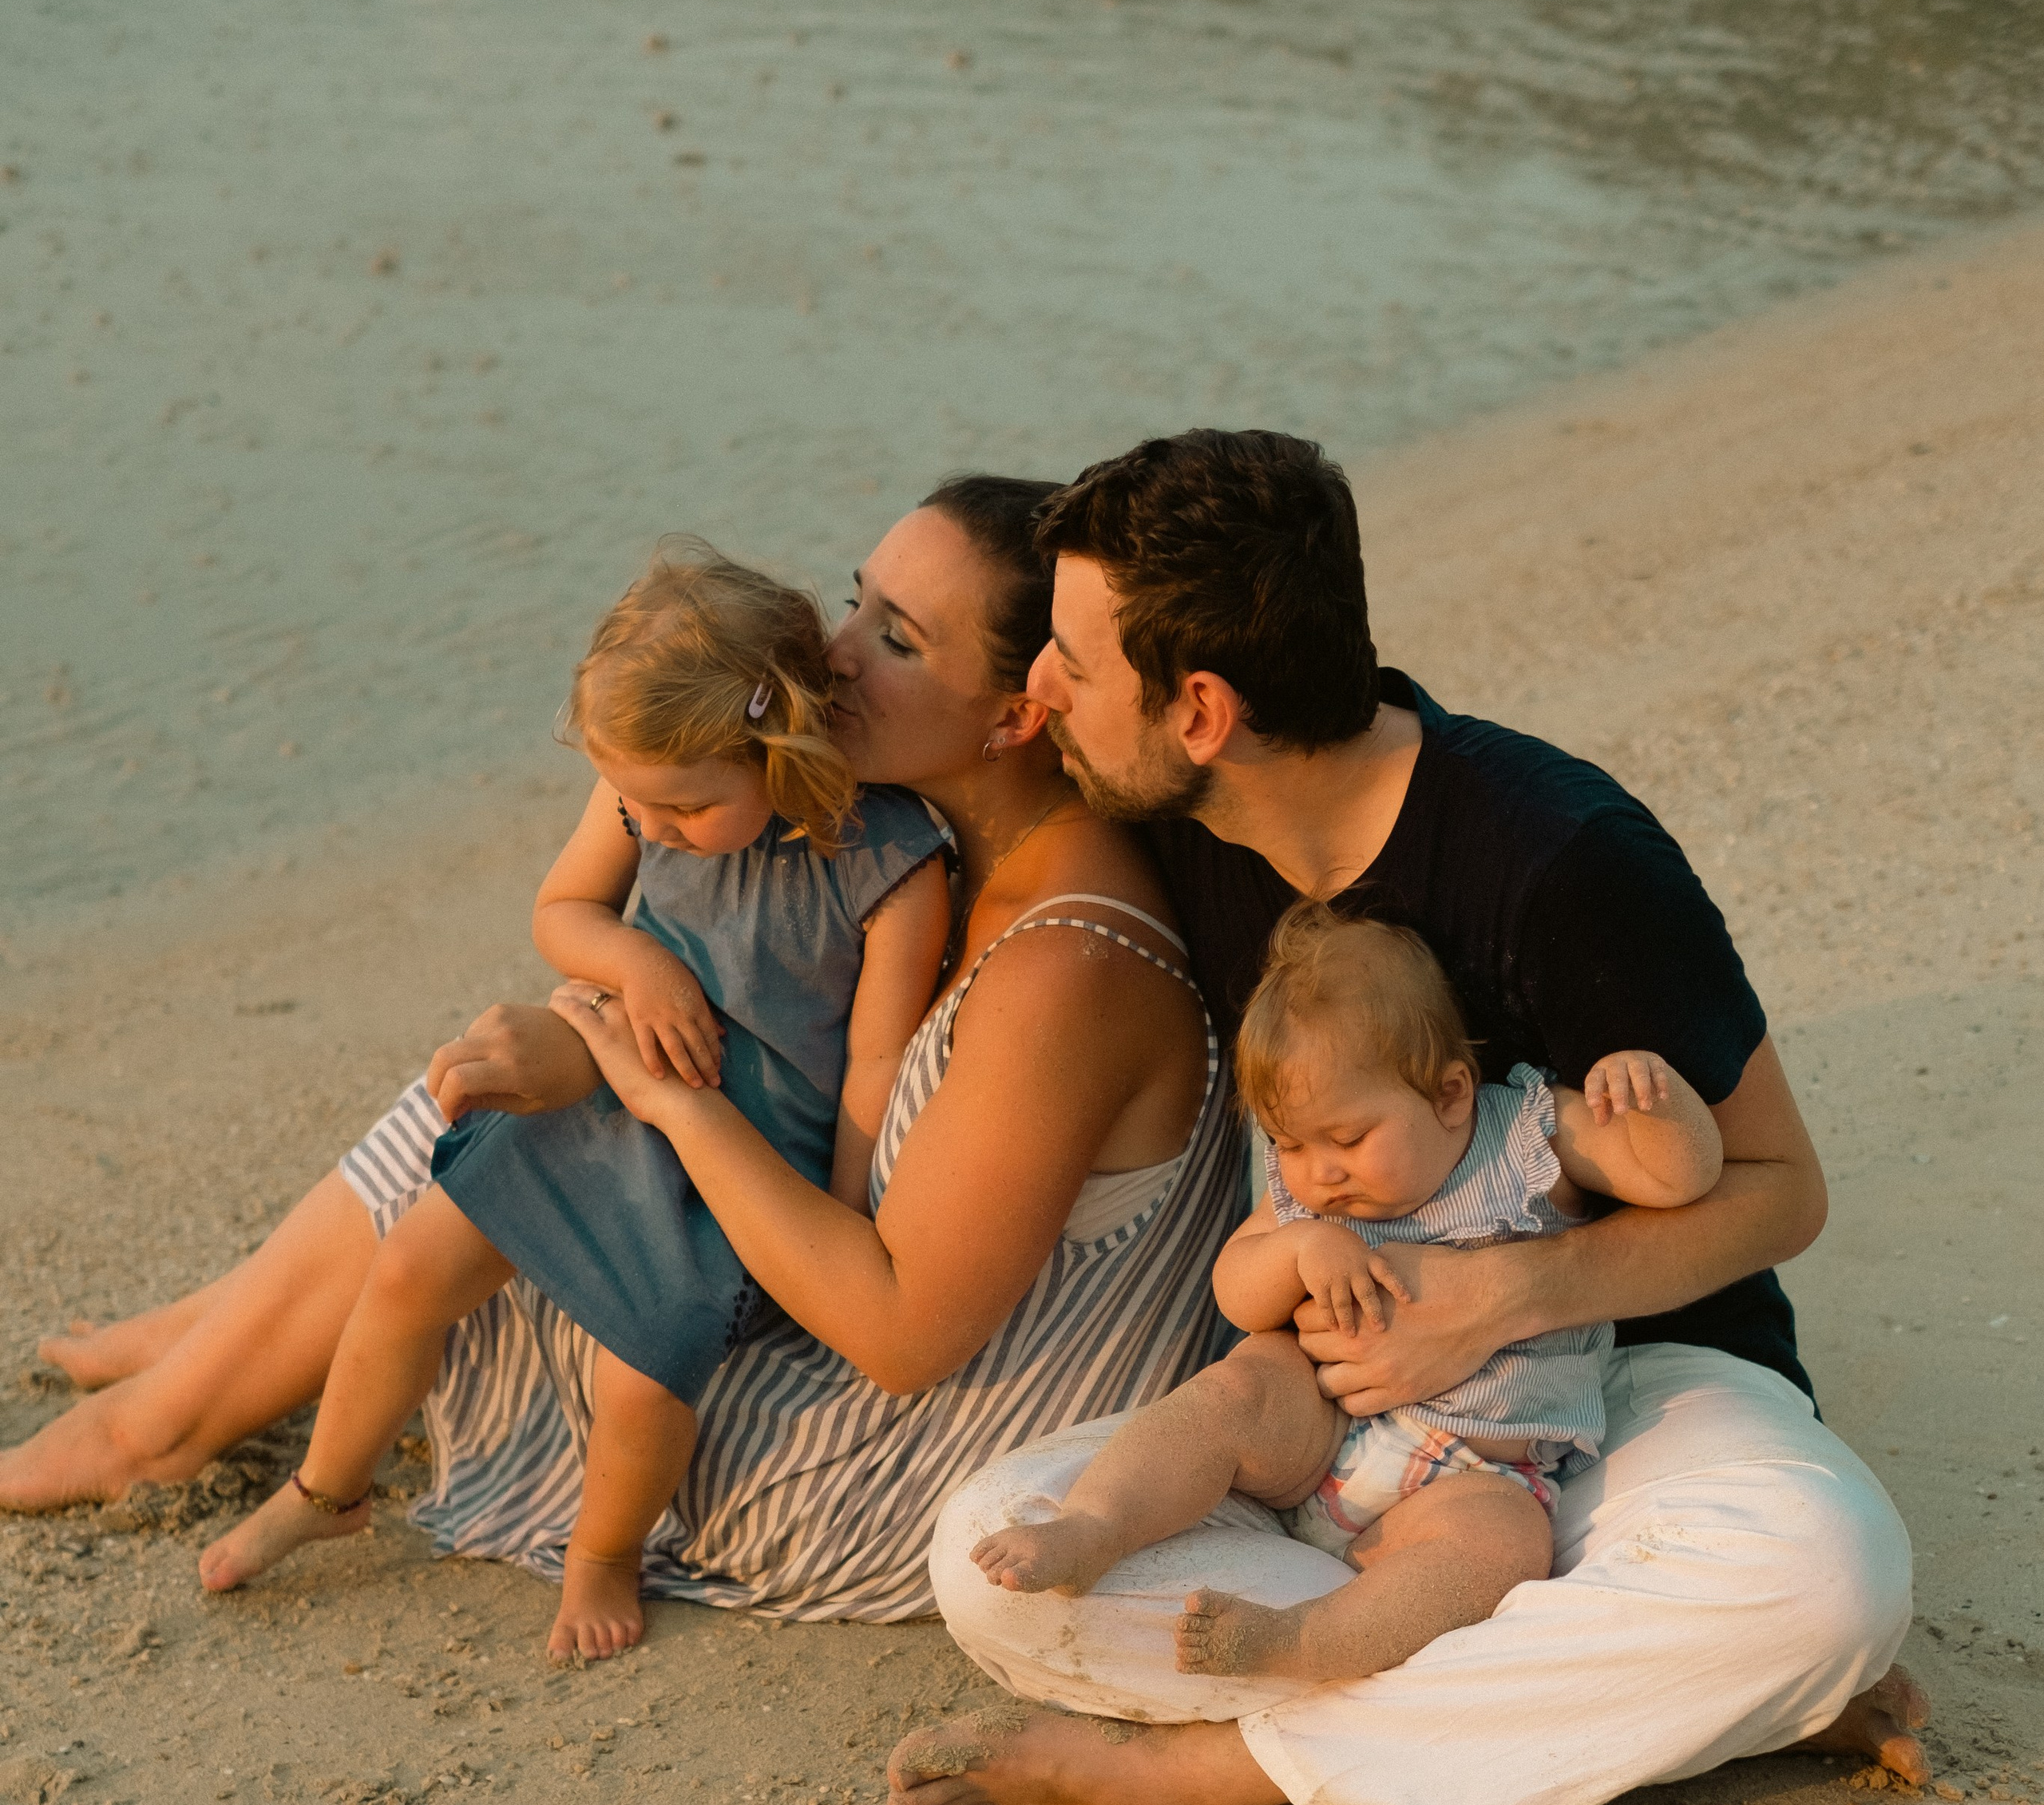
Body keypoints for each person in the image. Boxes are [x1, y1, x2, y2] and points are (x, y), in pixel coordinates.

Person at [893, 428, 1926, 1805]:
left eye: (1067, 655)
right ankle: (1654, 1695)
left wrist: (1501, 1300)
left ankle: (1220, 1768)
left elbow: (1781, 1193)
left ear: (1200, 707)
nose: (1036, 687)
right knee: (992, 1554)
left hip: (1621, 1394)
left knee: (1824, 1588)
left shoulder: (1561, 853)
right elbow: (906, 762)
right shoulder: (1181, 833)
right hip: (1333, 1429)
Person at [5, 481, 1237, 1630]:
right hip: (839, 1337)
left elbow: (903, 1335)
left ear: (1021, 711)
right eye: (855, 598)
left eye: (899, 640)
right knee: (530, 1078)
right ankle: (207, 1336)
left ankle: (168, 1417)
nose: (837, 652)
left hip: (867, 1459)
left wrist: (643, 1086)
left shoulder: (1065, 963)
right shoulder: (954, 850)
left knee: (517, 1110)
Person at [193, 544, 949, 1660]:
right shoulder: (646, 786)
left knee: (641, 1381)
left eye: (686, 807)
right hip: (594, 1109)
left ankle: (600, 1552)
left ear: (778, 747)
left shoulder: (892, 865)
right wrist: (636, 964)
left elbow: (877, 1073)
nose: (651, 827)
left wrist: (840, 1223)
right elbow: (564, 912)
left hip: (732, 1164)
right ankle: (327, 1486)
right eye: (634, 802)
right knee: (407, 1268)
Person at [970, 904, 1725, 1687]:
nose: (1317, 1172)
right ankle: (1094, 1525)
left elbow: (1679, 1180)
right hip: (1318, 1432)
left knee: (1501, 1547)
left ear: (1451, 1095)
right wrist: (1296, 1248)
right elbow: (1236, 1294)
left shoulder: (1525, 1141)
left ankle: (1309, 1640)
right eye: (1288, 1144)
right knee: (1237, 1386)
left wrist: (1651, 1102)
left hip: (1473, 1470)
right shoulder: (1309, 1202)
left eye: (1348, 1139)